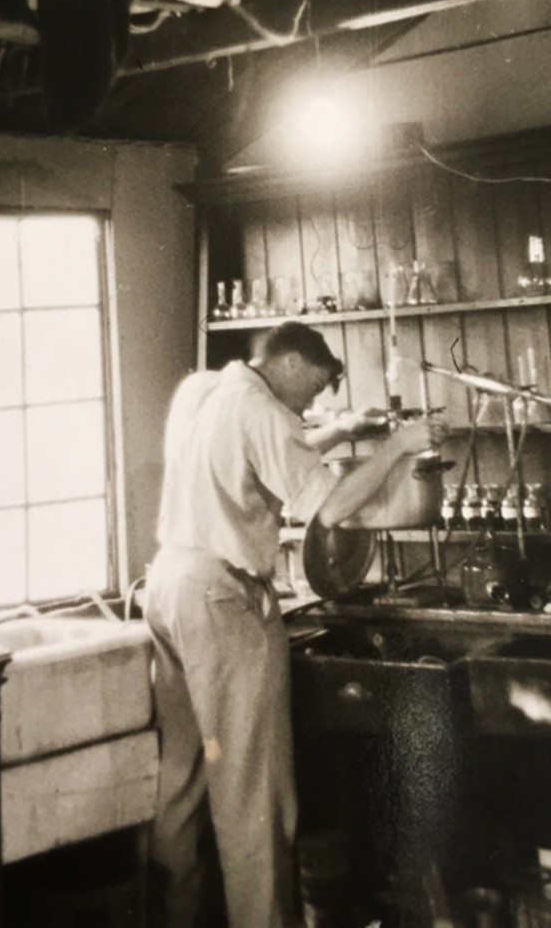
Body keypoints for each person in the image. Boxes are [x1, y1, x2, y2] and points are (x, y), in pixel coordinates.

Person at [144, 321, 448, 928]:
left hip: (168, 586)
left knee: (182, 779)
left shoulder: (205, 390)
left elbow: (273, 446)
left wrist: (344, 430)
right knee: (253, 795)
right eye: (314, 385)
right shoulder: (264, 411)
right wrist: (400, 445)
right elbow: (329, 506)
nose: (316, 400)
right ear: (285, 362)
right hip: (220, 601)